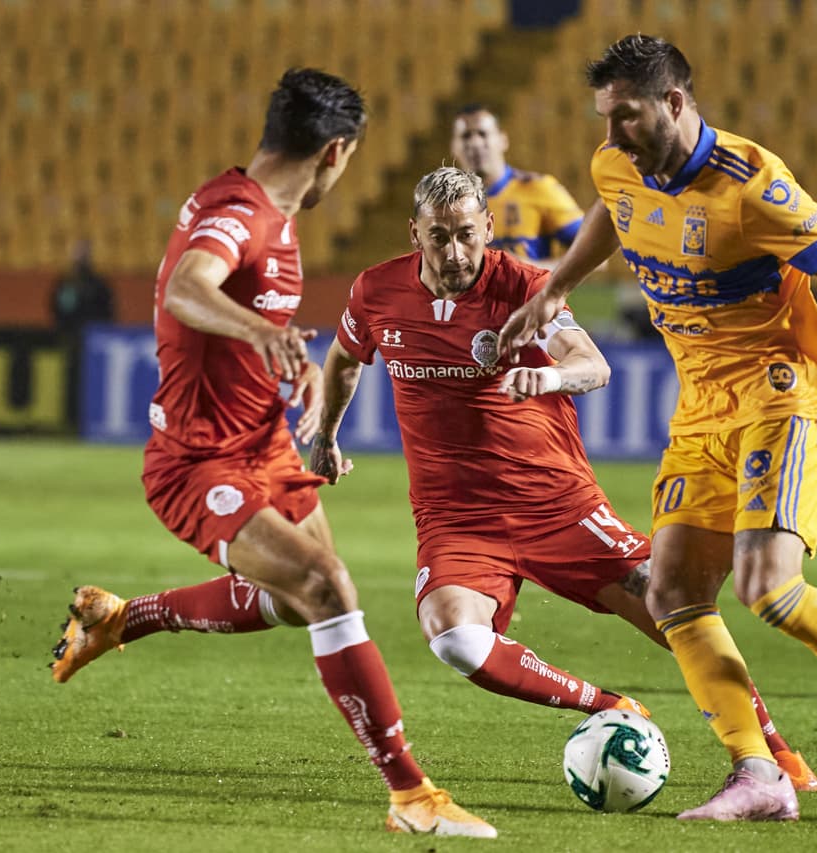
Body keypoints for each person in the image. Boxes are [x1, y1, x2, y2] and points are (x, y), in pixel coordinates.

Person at [499, 36, 817, 822]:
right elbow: (614, 212)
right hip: (700, 405)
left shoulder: (754, 186)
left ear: (676, 103)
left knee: (767, 588)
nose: (612, 137)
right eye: (605, 120)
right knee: (674, 591)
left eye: (628, 117)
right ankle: (759, 772)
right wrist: (557, 287)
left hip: (780, 395)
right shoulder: (616, 164)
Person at [47, 69, 495, 839]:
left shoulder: (274, 214)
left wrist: (309, 402)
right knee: (327, 585)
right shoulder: (240, 212)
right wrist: (264, 333)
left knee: (294, 602)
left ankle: (119, 619)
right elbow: (188, 287)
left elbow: (247, 331)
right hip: (199, 460)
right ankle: (412, 795)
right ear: (336, 150)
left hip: (267, 442)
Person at [309, 165, 817, 797]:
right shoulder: (376, 291)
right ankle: (609, 705)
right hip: (457, 521)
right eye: (439, 236)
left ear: (488, 228)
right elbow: (343, 360)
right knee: (457, 640)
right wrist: (325, 434)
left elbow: (592, 364)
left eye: (467, 234)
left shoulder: (525, 285)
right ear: (415, 232)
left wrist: (548, 378)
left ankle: (774, 751)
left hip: (556, 505)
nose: (454, 251)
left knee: (674, 607)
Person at [451, 104, 584, 268]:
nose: (475, 143)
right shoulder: (444, 204)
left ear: (503, 140)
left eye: (483, 134)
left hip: (531, 294)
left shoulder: (539, 188)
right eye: (466, 136)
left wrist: (531, 269)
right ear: (454, 147)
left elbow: (595, 255)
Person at [50, 239, 115, 332]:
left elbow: (108, 309)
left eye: (84, 255)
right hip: (69, 330)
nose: (81, 259)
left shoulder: (98, 284)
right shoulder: (65, 283)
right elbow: (57, 307)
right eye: (79, 255)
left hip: (93, 332)